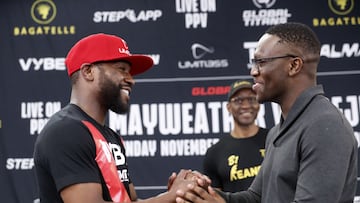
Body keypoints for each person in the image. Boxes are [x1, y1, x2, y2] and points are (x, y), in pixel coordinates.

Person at [175, 22, 358, 203]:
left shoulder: (324, 125)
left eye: (261, 62)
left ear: (294, 66)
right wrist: (201, 194)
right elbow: (256, 198)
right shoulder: (277, 132)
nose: (253, 71)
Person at [33, 33, 208, 203]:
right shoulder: (66, 131)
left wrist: (174, 197)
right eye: (121, 69)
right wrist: (169, 197)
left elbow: (128, 201)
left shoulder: (110, 136)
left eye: (130, 72)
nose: (131, 80)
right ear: (88, 72)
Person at [202, 80, 268, 192]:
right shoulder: (215, 153)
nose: (246, 106)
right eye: (239, 101)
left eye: (251, 99)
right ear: (228, 107)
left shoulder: (274, 139)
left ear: (258, 104)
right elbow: (214, 198)